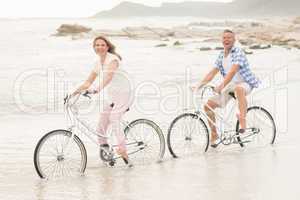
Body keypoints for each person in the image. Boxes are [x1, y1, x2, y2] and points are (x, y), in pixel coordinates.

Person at [192, 29, 260, 147]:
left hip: (245, 83)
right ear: (221, 40)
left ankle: (243, 120)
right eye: (224, 38)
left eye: (229, 38)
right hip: (230, 86)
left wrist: (221, 86)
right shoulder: (221, 55)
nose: (226, 40)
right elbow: (212, 73)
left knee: (239, 89)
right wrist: (198, 86)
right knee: (208, 106)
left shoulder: (238, 52)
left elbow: (233, 71)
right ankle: (214, 134)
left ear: (234, 40)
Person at [72, 36, 133, 166]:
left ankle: (123, 150)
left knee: (114, 118)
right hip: (112, 95)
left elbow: (109, 77)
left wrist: (96, 90)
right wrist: (73, 94)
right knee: (101, 125)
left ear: (107, 47)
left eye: (102, 45)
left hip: (125, 93)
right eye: (97, 45)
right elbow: (88, 82)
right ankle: (106, 150)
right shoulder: (97, 63)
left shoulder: (113, 59)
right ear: (94, 48)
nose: (99, 47)